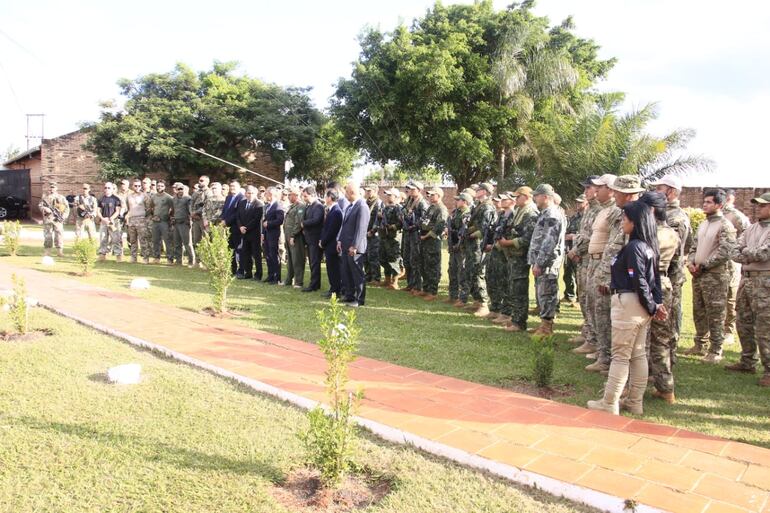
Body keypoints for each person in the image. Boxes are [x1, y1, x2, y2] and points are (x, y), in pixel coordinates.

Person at [587, 200, 666, 415]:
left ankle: (609, 402)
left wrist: (651, 305)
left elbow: (640, 280)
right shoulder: (649, 246)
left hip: (630, 303)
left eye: (625, 218)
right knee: (638, 354)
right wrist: (655, 304)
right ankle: (634, 402)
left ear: (635, 221)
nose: (622, 222)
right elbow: (654, 281)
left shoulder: (633, 247)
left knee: (621, 355)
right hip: (641, 305)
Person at [685, 188, 737, 362]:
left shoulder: (725, 225)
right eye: (704, 201)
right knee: (698, 310)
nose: (704, 205)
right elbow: (694, 247)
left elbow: (725, 251)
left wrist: (704, 265)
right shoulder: (704, 224)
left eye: (709, 202)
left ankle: (716, 350)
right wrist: (691, 262)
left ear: (719, 205)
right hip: (699, 275)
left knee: (715, 313)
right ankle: (700, 344)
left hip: (715, 276)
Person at [641, 192, 681, 404]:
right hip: (665, 284)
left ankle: (634, 388)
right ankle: (666, 388)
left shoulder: (648, 234)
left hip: (647, 284)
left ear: (651, 210)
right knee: (662, 339)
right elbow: (677, 266)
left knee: (641, 338)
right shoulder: (673, 234)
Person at [726, 191, 770, 387]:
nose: (758, 208)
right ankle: (747, 361)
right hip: (747, 280)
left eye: (763, 205)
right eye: (758, 205)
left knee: (764, 327)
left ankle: (769, 370)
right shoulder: (751, 229)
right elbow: (733, 251)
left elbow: (764, 254)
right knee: (743, 321)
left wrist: (745, 253)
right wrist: (747, 253)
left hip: (765, 282)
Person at [650, 175, 692, 364]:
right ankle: (655, 363)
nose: (656, 192)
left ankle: (668, 362)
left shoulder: (676, 217)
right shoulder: (660, 213)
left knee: (667, 321)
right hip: (657, 274)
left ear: (672, 192)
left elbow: (673, 250)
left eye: (660, 188)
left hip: (670, 275)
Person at [497, 187, 539, 332]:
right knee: (514, 288)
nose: (516, 199)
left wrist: (508, 243)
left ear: (527, 197)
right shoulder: (521, 210)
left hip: (521, 256)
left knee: (519, 289)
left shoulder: (530, 212)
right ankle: (515, 319)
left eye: (518, 196)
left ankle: (519, 322)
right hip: (514, 256)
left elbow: (527, 238)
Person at [527, 184, 566, 336]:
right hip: (541, 261)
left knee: (547, 293)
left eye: (536, 195)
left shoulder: (552, 215)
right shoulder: (545, 213)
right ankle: (543, 324)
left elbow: (549, 242)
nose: (534, 198)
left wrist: (540, 263)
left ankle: (547, 328)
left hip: (547, 263)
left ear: (545, 197)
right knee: (542, 292)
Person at [567, 176, 601, 347]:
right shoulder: (590, 209)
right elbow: (582, 234)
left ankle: (592, 338)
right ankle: (587, 332)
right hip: (583, 259)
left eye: (588, 188)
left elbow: (594, 237)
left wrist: (576, 250)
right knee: (584, 297)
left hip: (591, 259)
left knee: (590, 299)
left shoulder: (601, 210)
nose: (585, 191)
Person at [722, 189, 751, 345]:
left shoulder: (737, 216)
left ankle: (729, 330)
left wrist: (738, 251)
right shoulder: (716, 216)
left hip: (732, 261)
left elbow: (747, 234)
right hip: (718, 261)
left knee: (731, 296)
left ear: (730, 198)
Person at [463, 182, 496, 317]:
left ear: (485, 192)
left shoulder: (487, 207)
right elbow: (472, 223)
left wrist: (469, 234)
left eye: (480, 189)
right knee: (470, 271)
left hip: (478, 244)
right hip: (472, 244)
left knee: (478, 272)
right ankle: (476, 300)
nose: (476, 191)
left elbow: (483, 229)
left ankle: (483, 304)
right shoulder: (478, 205)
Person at [337, 180, 371, 307]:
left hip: (355, 248)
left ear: (352, 192)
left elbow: (361, 229)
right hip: (346, 245)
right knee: (347, 272)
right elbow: (346, 226)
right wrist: (340, 240)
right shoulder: (351, 206)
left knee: (357, 274)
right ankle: (349, 296)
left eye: (346, 192)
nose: (345, 194)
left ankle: (359, 299)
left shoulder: (362, 206)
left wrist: (354, 246)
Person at [418, 187, 449, 301]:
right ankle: (426, 289)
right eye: (429, 195)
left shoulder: (441, 209)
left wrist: (426, 236)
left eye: (432, 195)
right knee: (424, 264)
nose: (429, 196)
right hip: (424, 239)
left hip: (432, 240)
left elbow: (439, 227)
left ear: (439, 195)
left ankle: (433, 291)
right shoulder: (431, 207)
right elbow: (425, 221)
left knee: (433, 266)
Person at [402, 181, 428, 293]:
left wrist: (414, 225)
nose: (410, 191)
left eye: (413, 189)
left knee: (415, 260)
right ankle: (410, 284)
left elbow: (424, 219)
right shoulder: (410, 200)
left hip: (416, 234)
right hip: (408, 233)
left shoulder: (422, 203)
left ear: (419, 190)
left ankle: (417, 286)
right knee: (406, 258)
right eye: (410, 189)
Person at [448, 192, 472, 305]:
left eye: (459, 200)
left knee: (462, 272)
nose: (456, 202)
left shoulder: (468, 214)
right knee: (452, 270)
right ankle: (453, 296)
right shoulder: (455, 213)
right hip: (453, 246)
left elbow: (464, 231)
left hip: (462, 247)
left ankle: (463, 298)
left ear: (465, 202)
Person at [563, 194, 587, 305]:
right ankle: (569, 295)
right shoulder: (574, 217)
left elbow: (587, 234)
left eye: (580, 202)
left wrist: (574, 236)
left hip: (581, 250)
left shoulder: (587, 217)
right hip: (569, 249)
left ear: (586, 202)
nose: (578, 204)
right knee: (567, 273)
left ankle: (579, 299)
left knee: (579, 275)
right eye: (577, 202)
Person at [236, 185, 264, 280]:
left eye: (252, 193)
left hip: (254, 233)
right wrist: (240, 226)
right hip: (244, 233)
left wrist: (246, 228)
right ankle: (248, 273)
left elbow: (256, 219)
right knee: (245, 253)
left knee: (256, 255)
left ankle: (258, 274)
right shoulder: (242, 203)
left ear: (255, 194)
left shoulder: (259, 204)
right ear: (245, 194)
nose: (250, 195)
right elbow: (238, 216)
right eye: (249, 193)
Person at [485, 194, 507, 316]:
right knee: (491, 277)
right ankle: (495, 307)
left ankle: (502, 309)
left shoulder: (508, 215)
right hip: (494, 250)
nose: (497, 202)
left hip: (502, 252)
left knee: (501, 280)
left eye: (501, 200)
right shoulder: (499, 215)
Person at [320, 188, 344, 298]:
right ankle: (333, 289)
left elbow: (332, 231)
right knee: (331, 268)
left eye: (326, 196)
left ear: (330, 197)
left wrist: (323, 241)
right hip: (329, 244)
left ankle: (335, 290)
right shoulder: (332, 210)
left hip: (332, 245)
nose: (325, 198)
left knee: (334, 269)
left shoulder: (336, 211)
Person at [301, 186, 325, 292]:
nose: (304, 198)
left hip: (315, 238)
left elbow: (316, 220)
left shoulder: (318, 206)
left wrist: (304, 224)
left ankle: (314, 284)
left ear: (312, 195)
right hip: (309, 238)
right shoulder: (309, 206)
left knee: (315, 262)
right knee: (312, 262)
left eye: (306, 196)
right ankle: (315, 283)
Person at [379, 188, 404, 290]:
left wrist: (394, 226)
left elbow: (401, 222)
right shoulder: (385, 208)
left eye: (390, 195)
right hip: (384, 236)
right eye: (387, 195)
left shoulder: (398, 208)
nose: (388, 196)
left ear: (396, 197)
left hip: (394, 237)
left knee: (394, 259)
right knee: (383, 258)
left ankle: (395, 281)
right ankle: (387, 279)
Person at [283, 187, 306, 288]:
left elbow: (298, 222)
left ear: (296, 196)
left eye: (290, 195)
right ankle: (289, 280)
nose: (288, 196)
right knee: (291, 260)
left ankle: (298, 281)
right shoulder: (291, 206)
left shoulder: (300, 206)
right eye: (288, 195)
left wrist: (293, 235)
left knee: (297, 259)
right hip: (288, 236)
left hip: (295, 237)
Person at [38, 182, 70, 257]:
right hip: (48, 219)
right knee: (47, 236)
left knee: (59, 235)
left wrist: (63, 217)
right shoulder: (45, 198)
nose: (52, 189)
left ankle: (60, 252)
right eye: (51, 187)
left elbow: (66, 208)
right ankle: (47, 252)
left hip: (57, 220)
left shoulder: (61, 198)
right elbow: (40, 206)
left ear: (56, 188)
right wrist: (45, 208)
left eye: (54, 187)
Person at [262, 187, 285, 284]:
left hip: (274, 234)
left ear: (271, 194)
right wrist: (263, 233)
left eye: (266, 193)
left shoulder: (278, 205)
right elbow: (264, 220)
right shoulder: (267, 206)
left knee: (274, 255)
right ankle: (270, 275)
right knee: (268, 255)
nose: (265, 195)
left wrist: (269, 223)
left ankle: (276, 277)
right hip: (267, 234)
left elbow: (280, 220)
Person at [221, 181, 245, 275]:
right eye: (231, 186)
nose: (232, 188)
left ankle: (241, 269)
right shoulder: (228, 197)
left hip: (236, 227)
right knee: (230, 249)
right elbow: (225, 211)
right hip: (228, 228)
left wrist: (227, 221)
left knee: (238, 250)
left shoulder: (241, 198)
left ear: (239, 187)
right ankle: (232, 269)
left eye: (234, 186)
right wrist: (223, 219)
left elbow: (237, 214)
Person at [148, 181, 173, 264]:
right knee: (155, 240)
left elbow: (173, 208)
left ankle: (169, 259)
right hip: (155, 222)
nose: (159, 187)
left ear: (164, 187)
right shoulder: (153, 197)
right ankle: (156, 258)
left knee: (167, 240)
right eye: (158, 186)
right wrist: (153, 216)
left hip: (164, 222)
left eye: (162, 186)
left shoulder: (168, 197)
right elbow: (151, 207)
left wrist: (168, 216)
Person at [97, 182, 123, 261]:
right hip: (104, 222)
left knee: (115, 239)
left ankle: (118, 255)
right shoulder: (101, 198)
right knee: (103, 238)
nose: (107, 189)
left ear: (112, 189)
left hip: (113, 221)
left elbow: (118, 211)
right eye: (105, 187)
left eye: (109, 188)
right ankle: (102, 255)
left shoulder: (116, 199)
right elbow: (98, 211)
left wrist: (111, 218)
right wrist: (102, 218)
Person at [125, 179, 150, 263]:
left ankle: (145, 257)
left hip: (141, 219)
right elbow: (128, 208)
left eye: (139, 186)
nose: (137, 187)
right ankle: (133, 257)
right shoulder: (129, 196)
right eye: (135, 185)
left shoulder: (144, 196)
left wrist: (144, 217)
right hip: (132, 219)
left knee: (143, 239)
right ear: (132, 186)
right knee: (132, 240)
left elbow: (149, 208)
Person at [363, 185, 384, 285]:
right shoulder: (366, 202)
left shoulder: (379, 203)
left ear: (375, 191)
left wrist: (372, 231)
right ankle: (368, 276)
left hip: (374, 234)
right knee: (366, 256)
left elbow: (379, 220)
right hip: (365, 232)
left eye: (369, 191)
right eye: (366, 191)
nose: (367, 193)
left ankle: (376, 278)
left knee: (373, 256)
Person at [171, 182, 195, 267]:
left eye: (182, 189)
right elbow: (173, 210)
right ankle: (178, 261)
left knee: (187, 243)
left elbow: (191, 211)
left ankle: (191, 261)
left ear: (186, 190)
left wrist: (190, 220)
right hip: (176, 223)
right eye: (179, 189)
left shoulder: (188, 199)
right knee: (177, 243)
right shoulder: (174, 199)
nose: (180, 191)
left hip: (185, 223)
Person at [190, 175, 211, 248]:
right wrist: (192, 213)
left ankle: (204, 258)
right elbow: (191, 203)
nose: (199, 182)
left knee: (205, 239)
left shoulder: (209, 192)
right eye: (199, 180)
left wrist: (196, 212)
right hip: (196, 219)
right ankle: (197, 258)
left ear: (207, 182)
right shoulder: (196, 192)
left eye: (202, 181)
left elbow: (206, 205)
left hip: (203, 219)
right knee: (196, 240)